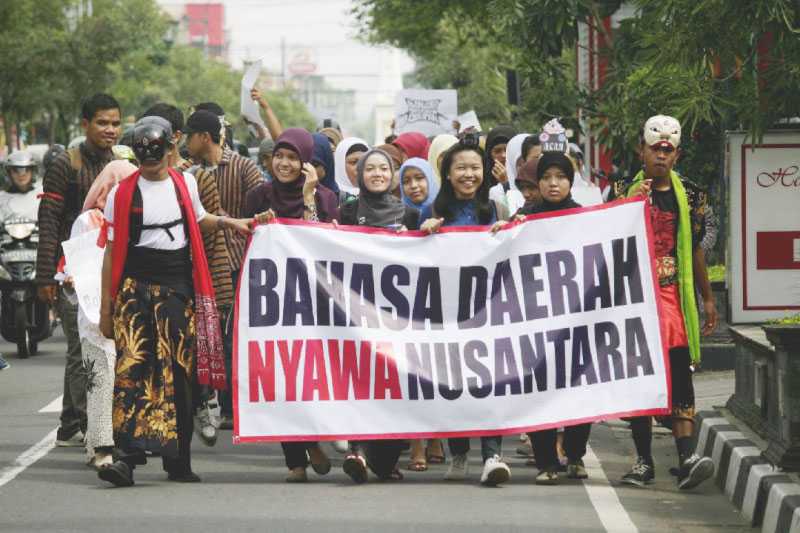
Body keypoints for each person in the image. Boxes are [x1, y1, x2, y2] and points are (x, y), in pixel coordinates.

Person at [96, 117, 251, 487]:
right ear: (137, 157)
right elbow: (112, 250)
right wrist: (106, 307)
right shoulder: (123, 193)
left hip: (177, 289)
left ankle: (178, 461)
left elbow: (199, 220)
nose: (152, 165)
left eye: (158, 156)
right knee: (132, 370)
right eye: (144, 159)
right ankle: (127, 458)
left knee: (179, 374)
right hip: (134, 289)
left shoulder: (186, 184)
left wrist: (233, 223)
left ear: (170, 149)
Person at [619, 115, 717, 490]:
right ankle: (643, 462)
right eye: (654, 149)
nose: (661, 156)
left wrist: (708, 299)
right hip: (636, 300)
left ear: (677, 154)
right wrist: (631, 204)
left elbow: (693, 250)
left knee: (679, 376)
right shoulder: (620, 189)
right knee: (640, 379)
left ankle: (687, 457)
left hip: (674, 298)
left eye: (668, 150)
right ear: (640, 150)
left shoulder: (690, 194)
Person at [245, 128, 339, 483]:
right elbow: (246, 237)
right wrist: (258, 226)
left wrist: (309, 196)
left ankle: (312, 436)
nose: (284, 164)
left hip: (313, 302)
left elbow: (321, 241)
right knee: (279, 375)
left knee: (308, 374)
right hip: (271, 300)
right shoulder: (258, 195)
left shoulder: (326, 197)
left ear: (305, 163)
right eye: (279, 156)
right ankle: (295, 458)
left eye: (292, 157)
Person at [495, 151, 592, 485]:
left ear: (570, 181)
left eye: (560, 177)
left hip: (575, 319)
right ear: (537, 182)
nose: (553, 183)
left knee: (578, 388)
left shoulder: (586, 218)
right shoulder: (525, 217)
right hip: (536, 321)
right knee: (539, 390)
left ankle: (576, 454)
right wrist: (504, 232)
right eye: (547, 177)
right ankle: (547, 461)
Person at [420, 137, 511, 487]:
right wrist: (423, 234)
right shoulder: (432, 211)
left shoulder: (495, 209)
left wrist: (507, 235)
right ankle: (457, 451)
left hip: (488, 312)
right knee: (452, 384)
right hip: (447, 315)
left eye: (475, 167)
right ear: (448, 172)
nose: (469, 174)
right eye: (461, 168)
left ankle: (492, 455)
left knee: (490, 383)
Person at [37, 93, 122, 448]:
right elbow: (50, 221)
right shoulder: (65, 165)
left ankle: (74, 420)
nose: (110, 130)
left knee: (100, 346)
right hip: (72, 270)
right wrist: (44, 277)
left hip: (108, 268)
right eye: (102, 123)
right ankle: (82, 422)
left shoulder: (121, 164)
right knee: (80, 349)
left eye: (116, 123)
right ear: (85, 124)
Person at [337, 148, 419, 483]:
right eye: (369, 168)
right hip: (358, 317)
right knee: (360, 382)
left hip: (399, 319)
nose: (377, 174)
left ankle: (386, 457)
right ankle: (357, 449)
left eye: (383, 168)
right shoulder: (348, 211)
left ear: (392, 174)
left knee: (394, 386)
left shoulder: (410, 214)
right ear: (359, 176)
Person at [184, 109, 263, 430]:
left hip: (234, 264)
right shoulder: (186, 173)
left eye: (189, 136)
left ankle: (230, 406)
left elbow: (261, 206)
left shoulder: (244, 167)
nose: (185, 142)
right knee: (201, 336)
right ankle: (201, 400)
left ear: (204, 137)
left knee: (230, 338)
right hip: (197, 264)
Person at [68, 159, 138, 470]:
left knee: (120, 379)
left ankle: (108, 443)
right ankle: (100, 449)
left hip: (127, 312)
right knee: (100, 378)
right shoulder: (87, 221)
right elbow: (76, 268)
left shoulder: (134, 219)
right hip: (94, 313)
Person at [0, 150, 43, 221]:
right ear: (9, 173)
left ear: (32, 171)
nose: (21, 174)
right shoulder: (2, 199)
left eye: (26, 169)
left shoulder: (41, 194)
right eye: (16, 170)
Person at [333, 137, 369, 202]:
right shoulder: (330, 198)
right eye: (353, 162)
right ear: (340, 165)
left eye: (364, 161)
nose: (360, 167)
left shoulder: (377, 195)